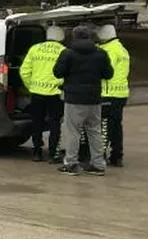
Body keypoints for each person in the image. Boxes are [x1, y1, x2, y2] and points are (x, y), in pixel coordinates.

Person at [53, 25, 114, 176]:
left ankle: (71, 163)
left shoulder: (68, 53)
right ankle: (98, 164)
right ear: (90, 36)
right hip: (94, 99)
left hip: (74, 98)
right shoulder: (101, 53)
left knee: (73, 131)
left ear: (74, 36)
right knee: (94, 131)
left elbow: (57, 72)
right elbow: (109, 74)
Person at [19, 26, 66, 162]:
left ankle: (37, 152)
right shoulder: (63, 51)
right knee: (55, 123)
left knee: (37, 122)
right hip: (55, 93)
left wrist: (30, 85)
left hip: (36, 92)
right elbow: (67, 73)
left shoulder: (35, 49)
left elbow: (24, 71)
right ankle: (53, 153)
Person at [98, 24, 131, 167]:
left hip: (107, 92)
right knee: (116, 125)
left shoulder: (108, 50)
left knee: (104, 125)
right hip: (121, 93)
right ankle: (117, 155)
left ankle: (100, 155)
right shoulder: (123, 49)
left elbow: (105, 70)